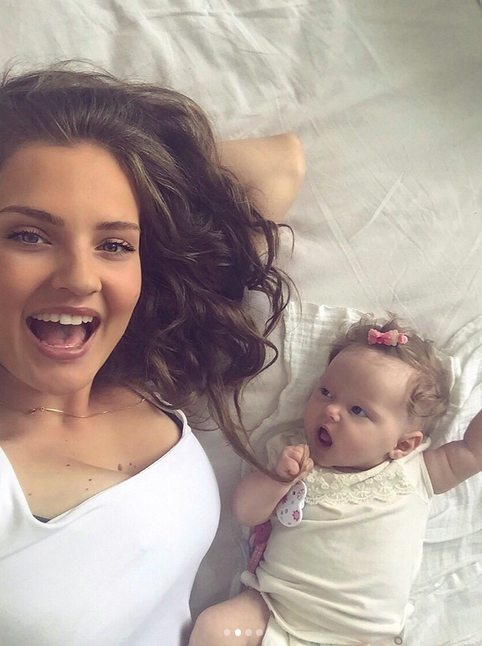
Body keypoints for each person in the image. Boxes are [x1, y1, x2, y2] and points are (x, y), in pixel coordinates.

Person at [0, 62, 305, 646]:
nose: (79, 278)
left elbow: (281, 163)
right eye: (28, 235)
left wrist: (128, 142)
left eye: (114, 244)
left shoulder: (143, 366)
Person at [190, 316, 482, 646]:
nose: (331, 410)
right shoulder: (292, 455)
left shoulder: (417, 471)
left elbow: (473, 451)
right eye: (326, 392)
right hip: (273, 612)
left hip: (361, 638)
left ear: (403, 445)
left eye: (358, 410)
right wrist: (277, 481)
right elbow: (245, 512)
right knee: (216, 627)